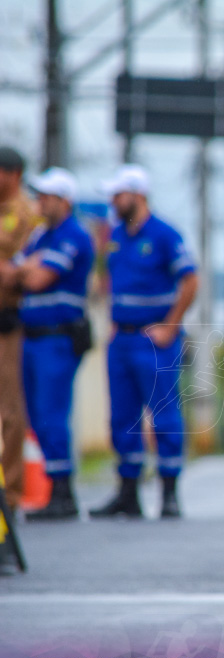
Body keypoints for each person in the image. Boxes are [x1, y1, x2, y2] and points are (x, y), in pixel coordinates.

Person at [90, 165, 198, 519]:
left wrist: (171, 326)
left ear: (138, 194)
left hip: (154, 343)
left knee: (164, 416)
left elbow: (190, 281)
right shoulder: (117, 236)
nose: (113, 201)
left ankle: (168, 492)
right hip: (122, 340)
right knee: (122, 417)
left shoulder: (165, 234)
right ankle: (127, 493)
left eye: (118, 194)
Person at [3, 169, 93, 521]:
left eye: (47, 197)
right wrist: (24, 267)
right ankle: (56, 486)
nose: (40, 202)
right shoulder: (41, 236)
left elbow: (38, 279)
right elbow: (14, 271)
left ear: (64, 201)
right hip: (32, 337)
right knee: (36, 416)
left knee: (52, 414)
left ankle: (62, 492)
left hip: (57, 338)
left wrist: (22, 269)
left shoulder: (72, 236)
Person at [0, 146, 38, 513]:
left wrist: (12, 270)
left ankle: (9, 497)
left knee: (10, 413)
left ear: (12, 174)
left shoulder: (27, 214)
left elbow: (25, 268)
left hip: (8, 323)